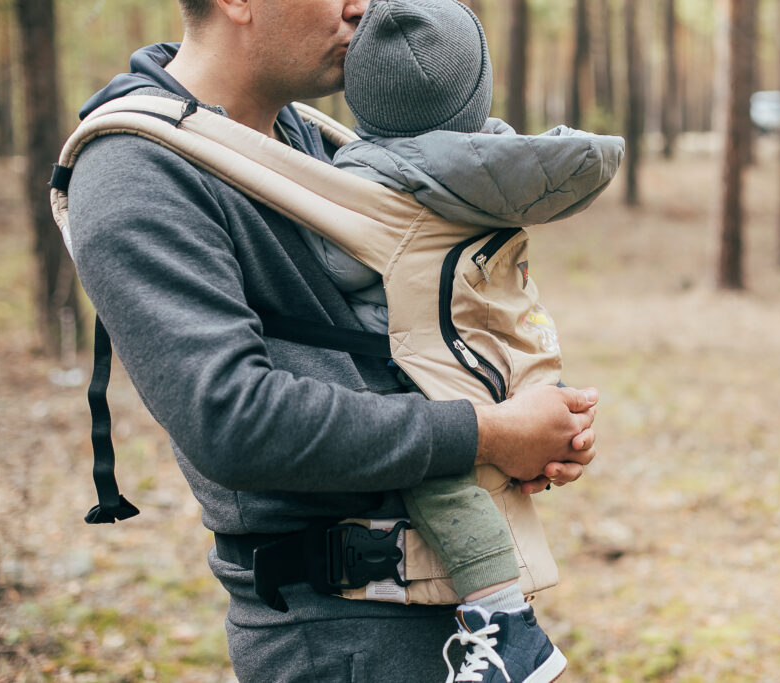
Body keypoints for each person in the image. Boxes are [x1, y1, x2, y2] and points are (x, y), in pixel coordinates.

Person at [64, 0, 598, 680]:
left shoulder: (308, 139)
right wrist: (486, 432)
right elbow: (234, 419)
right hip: (339, 640)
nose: (363, 6)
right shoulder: (136, 171)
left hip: (453, 617)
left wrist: (532, 423)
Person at [290, 2, 623, 681]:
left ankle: (506, 623)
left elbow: (339, 267)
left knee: (438, 480)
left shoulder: (375, 177)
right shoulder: (494, 164)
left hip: (435, 368)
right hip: (506, 352)